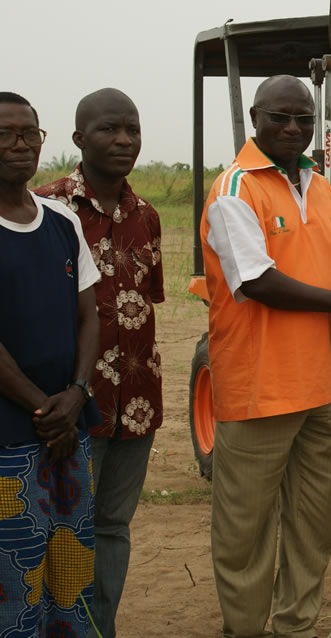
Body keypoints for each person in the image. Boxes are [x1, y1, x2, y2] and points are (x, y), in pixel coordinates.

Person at [200, 75, 331, 638]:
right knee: (245, 534)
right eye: (280, 117)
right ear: (255, 118)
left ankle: (295, 628)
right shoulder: (235, 189)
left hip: (323, 388)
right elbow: (257, 281)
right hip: (259, 389)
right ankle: (246, 630)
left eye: (303, 118)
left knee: (313, 527)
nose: (293, 128)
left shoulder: (319, 185)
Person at [34, 88, 163, 638]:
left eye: (132, 130)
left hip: (136, 402)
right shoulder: (45, 208)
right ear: (79, 139)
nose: (124, 141)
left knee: (112, 527)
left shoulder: (147, 217)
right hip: (69, 403)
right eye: (110, 130)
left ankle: (99, 629)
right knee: (60, 528)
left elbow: (145, 303)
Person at [0, 92, 100, 637]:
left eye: (30, 134)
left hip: (67, 432)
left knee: (70, 575)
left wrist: (78, 393)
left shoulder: (62, 220)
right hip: (11, 438)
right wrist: (46, 409)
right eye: (5, 134)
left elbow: (89, 316)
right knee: (13, 582)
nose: (20, 145)